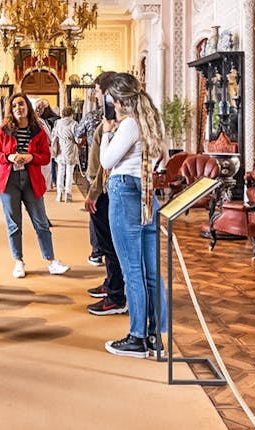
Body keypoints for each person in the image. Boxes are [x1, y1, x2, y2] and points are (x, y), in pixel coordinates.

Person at [99, 72, 167, 357]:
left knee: (132, 270)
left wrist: (105, 133)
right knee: (151, 271)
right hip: (146, 190)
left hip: (125, 190)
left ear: (117, 100)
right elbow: (161, 159)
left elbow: (106, 161)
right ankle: (154, 335)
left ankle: (136, 337)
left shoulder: (128, 124)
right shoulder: (152, 121)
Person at [0, 93, 69, 278]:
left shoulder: (37, 130)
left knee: (41, 222)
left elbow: (46, 156)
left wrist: (31, 157)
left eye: (22, 104)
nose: (19, 108)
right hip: (9, 181)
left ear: (28, 107)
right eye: (15, 105)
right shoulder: (3, 130)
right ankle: (18, 261)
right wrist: (8, 157)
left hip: (31, 179)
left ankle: (51, 260)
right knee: (14, 224)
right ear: (11, 108)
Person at [79, 72, 127, 317]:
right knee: (105, 242)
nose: (95, 95)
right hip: (101, 187)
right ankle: (111, 284)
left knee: (109, 244)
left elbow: (104, 164)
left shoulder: (115, 124)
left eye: (97, 90)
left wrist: (93, 192)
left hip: (105, 189)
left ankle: (116, 295)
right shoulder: (106, 121)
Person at [49, 106, 79, 203]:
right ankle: (68, 194)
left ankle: (59, 194)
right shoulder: (74, 123)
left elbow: (53, 136)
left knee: (60, 172)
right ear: (71, 114)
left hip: (61, 149)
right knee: (69, 172)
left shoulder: (57, 123)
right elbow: (77, 139)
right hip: (70, 148)